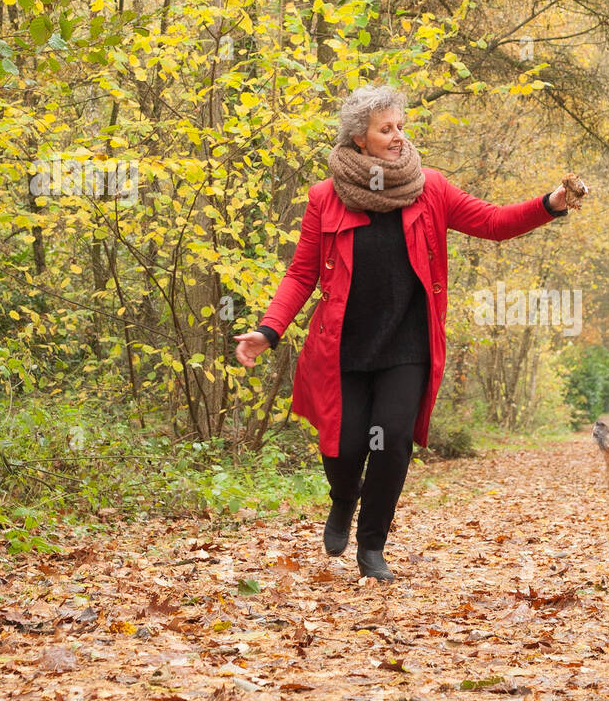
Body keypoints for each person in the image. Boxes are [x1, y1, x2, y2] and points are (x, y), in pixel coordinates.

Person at [233, 84, 582, 581]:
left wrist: (551, 202)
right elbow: (301, 273)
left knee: (391, 441)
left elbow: (494, 223)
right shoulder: (325, 198)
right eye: (386, 130)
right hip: (344, 347)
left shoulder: (430, 187)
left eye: (400, 126)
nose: (398, 137)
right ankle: (342, 499)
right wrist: (268, 331)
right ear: (359, 140)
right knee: (345, 444)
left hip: (407, 344)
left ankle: (372, 546)